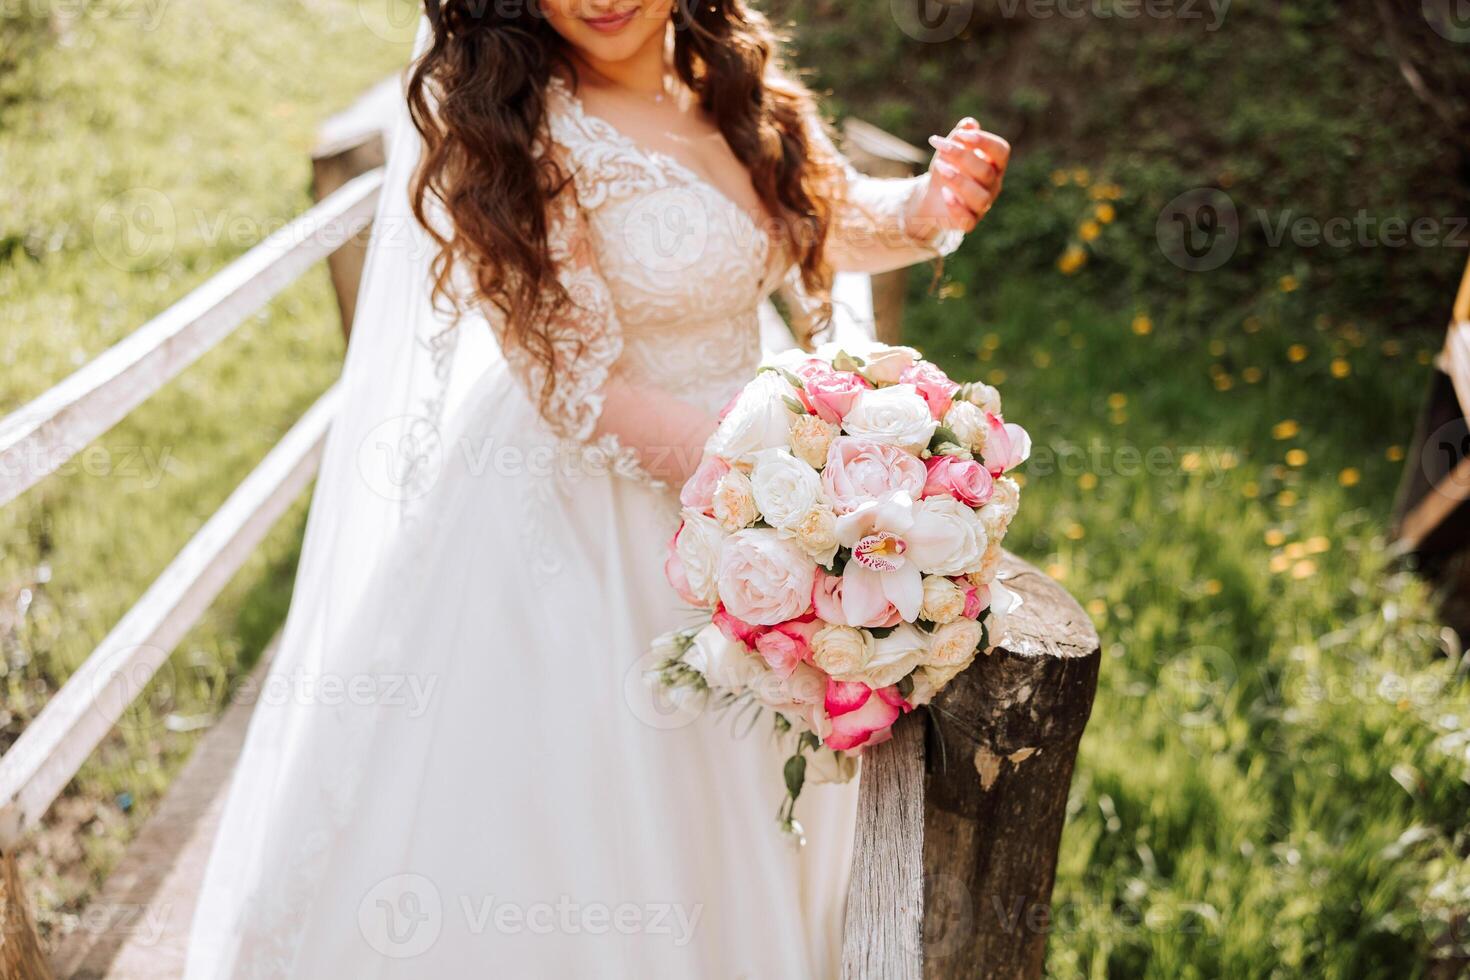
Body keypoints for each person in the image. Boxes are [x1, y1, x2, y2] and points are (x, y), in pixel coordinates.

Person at [185, 1, 1008, 975]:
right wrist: (787, 494)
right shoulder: (507, 127)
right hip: (601, 522)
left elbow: (813, 220)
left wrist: (929, 204)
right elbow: (583, 389)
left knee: (751, 807)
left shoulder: (722, 78)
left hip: (758, 489)